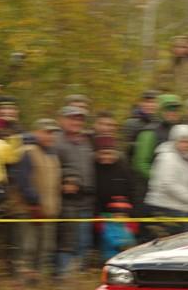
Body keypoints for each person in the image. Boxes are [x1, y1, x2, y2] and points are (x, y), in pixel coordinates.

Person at [14, 119, 62, 281]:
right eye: (47, 132)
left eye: (53, 133)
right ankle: (23, 285)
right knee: (28, 249)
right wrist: (34, 204)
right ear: (37, 132)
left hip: (50, 211)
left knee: (46, 250)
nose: (51, 136)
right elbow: (23, 181)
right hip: (30, 212)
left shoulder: (53, 154)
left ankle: (40, 286)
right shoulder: (27, 152)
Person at [54, 105, 95, 275]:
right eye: (72, 118)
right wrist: (66, 180)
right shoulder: (57, 142)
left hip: (87, 201)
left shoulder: (86, 142)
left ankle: (78, 278)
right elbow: (50, 167)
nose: (76, 122)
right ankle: (64, 279)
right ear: (62, 120)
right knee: (67, 242)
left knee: (84, 241)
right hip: (66, 201)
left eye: (79, 119)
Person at [144, 124, 188, 223]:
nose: (187, 145)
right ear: (174, 140)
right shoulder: (168, 157)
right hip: (167, 208)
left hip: (178, 208)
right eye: (183, 141)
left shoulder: (185, 159)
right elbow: (167, 183)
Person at [132, 94, 183, 190]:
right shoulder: (149, 132)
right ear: (160, 110)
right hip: (151, 190)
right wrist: (161, 181)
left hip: (175, 188)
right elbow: (141, 164)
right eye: (168, 109)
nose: (172, 112)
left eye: (175, 109)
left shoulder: (180, 130)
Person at [93, 135, 134, 216]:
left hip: (120, 212)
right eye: (103, 153)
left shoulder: (123, 168)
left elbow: (132, 189)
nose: (106, 157)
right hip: (98, 213)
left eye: (109, 153)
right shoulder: (93, 168)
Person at [122, 90, 160, 163]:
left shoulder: (160, 123)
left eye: (153, 102)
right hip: (134, 164)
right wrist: (143, 145)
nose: (150, 105)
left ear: (157, 105)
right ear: (141, 104)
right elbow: (126, 147)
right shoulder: (131, 123)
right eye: (147, 102)